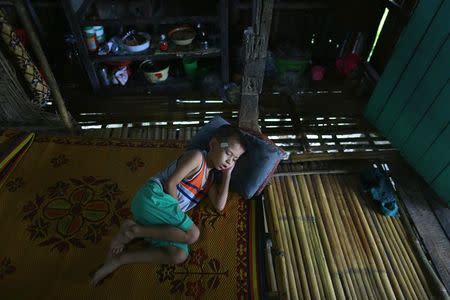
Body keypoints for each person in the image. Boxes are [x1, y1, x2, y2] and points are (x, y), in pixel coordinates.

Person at [91, 125, 246, 285]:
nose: (229, 161)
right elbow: (171, 183)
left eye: (235, 159)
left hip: (159, 218)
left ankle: (122, 258)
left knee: (179, 254)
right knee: (193, 234)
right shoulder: (197, 158)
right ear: (213, 144)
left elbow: (220, 206)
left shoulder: (210, 180)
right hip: (152, 198)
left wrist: (228, 175)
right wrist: (177, 219)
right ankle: (134, 232)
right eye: (228, 153)